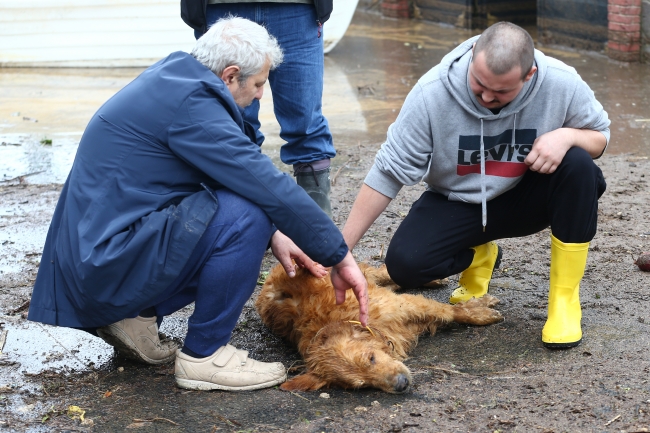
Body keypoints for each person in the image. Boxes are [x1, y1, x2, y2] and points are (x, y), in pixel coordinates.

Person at [27, 16, 368, 392]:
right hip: (104, 264)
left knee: (251, 212)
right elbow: (262, 182)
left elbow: (223, 175)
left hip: (98, 257)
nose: (259, 96)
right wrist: (339, 256)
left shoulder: (176, 78)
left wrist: (277, 232)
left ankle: (134, 315)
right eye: (258, 85)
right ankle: (204, 356)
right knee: (248, 213)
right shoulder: (193, 107)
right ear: (230, 75)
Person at [341, 22, 609, 349]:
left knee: (579, 165)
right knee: (405, 265)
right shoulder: (432, 93)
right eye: (479, 83)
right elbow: (388, 171)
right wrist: (339, 250)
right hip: (459, 202)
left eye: (500, 92)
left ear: (529, 75)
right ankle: (481, 255)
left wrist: (566, 136)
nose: (485, 96)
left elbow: (600, 137)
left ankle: (564, 300)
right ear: (471, 56)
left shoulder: (561, 81)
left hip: (527, 197)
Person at [181, 0, 336, 217]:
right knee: (233, 125)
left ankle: (315, 216)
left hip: (297, 8)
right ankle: (246, 216)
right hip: (219, 7)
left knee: (305, 121)